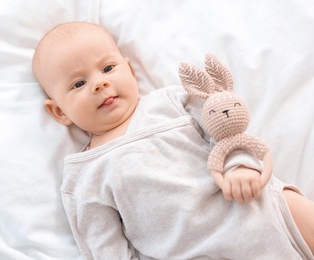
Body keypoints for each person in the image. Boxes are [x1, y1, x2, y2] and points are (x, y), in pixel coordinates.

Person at [32, 22, 314, 259]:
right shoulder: (84, 177)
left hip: (259, 209)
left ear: (130, 71)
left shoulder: (171, 102)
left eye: (107, 69)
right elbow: (106, 248)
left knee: (293, 207)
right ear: (59, 111)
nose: (99, 83)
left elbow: (226, 130)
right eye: (78, 84)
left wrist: (239, 165)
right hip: (195, 253)